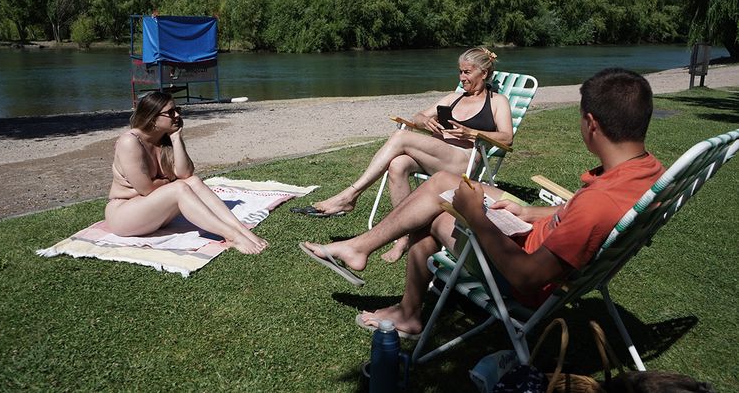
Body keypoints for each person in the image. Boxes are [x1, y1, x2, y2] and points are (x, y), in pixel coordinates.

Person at [301, 68, 664, 337]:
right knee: (444, 183)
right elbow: (579, 213)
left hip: (521, 271)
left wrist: (476, 216)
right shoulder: (646, 174)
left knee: (436, 210)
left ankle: (401, 304)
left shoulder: (597, 203)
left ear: (591, 124)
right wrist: (528, 210)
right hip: (533, 232)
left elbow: (526, 277)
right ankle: (361, 253)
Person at [294, 47, 514, 263]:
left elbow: (507, 138)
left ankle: (349, 197)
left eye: (467, 72)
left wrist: (472, 132)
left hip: (463, 160)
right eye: (460, 71)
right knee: (398, 164)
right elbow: (417, 116)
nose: (461, 77)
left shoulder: (497, 101)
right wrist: (424, 121)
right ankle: (403, 236)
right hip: (438, 156)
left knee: (400, 138)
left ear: (483, 73)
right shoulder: (453, 98)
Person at [105, 91, 268, 255]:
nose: (176, 115)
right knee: (179, 188)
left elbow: (185, 174)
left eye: (177, 110)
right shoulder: (130, 142)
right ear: (152, 117)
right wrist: (171, 182)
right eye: (170, 112)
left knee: (193, 182)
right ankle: (231, 236)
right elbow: (146, 189)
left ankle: (241, 230)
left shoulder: (164, 138)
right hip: (124, 214)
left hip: (151, 212)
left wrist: (176, 138)